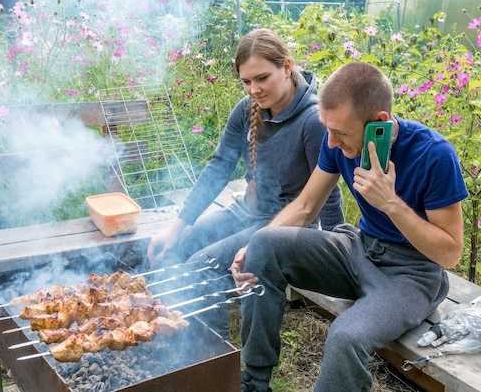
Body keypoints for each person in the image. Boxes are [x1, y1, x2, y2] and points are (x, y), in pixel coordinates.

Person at [232, 61, 468, 392]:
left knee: (345, 336)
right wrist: (252, 248)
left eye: (340, 132)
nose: (330, 143)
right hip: (359, 248)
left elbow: (450, 253)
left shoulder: (434, 154)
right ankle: (254, 384)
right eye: (327, 128)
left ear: (379, 123)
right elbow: (304, 206)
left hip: (411, 276)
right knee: (263, 243)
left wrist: (392, 204)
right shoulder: (337, 142)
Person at [146, 28, 344, 335]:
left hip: (286, 226)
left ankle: (210, 354)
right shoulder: (245, 110)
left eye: (262, 78)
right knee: (179, 247)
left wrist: (337, 251)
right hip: (247, 209)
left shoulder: (313, 121)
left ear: (287, 66)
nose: (254, 89)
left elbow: (329, 192)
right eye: (247, 81)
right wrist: (177, 225)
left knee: (203, 265)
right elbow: (218, 169)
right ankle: (176, 337)